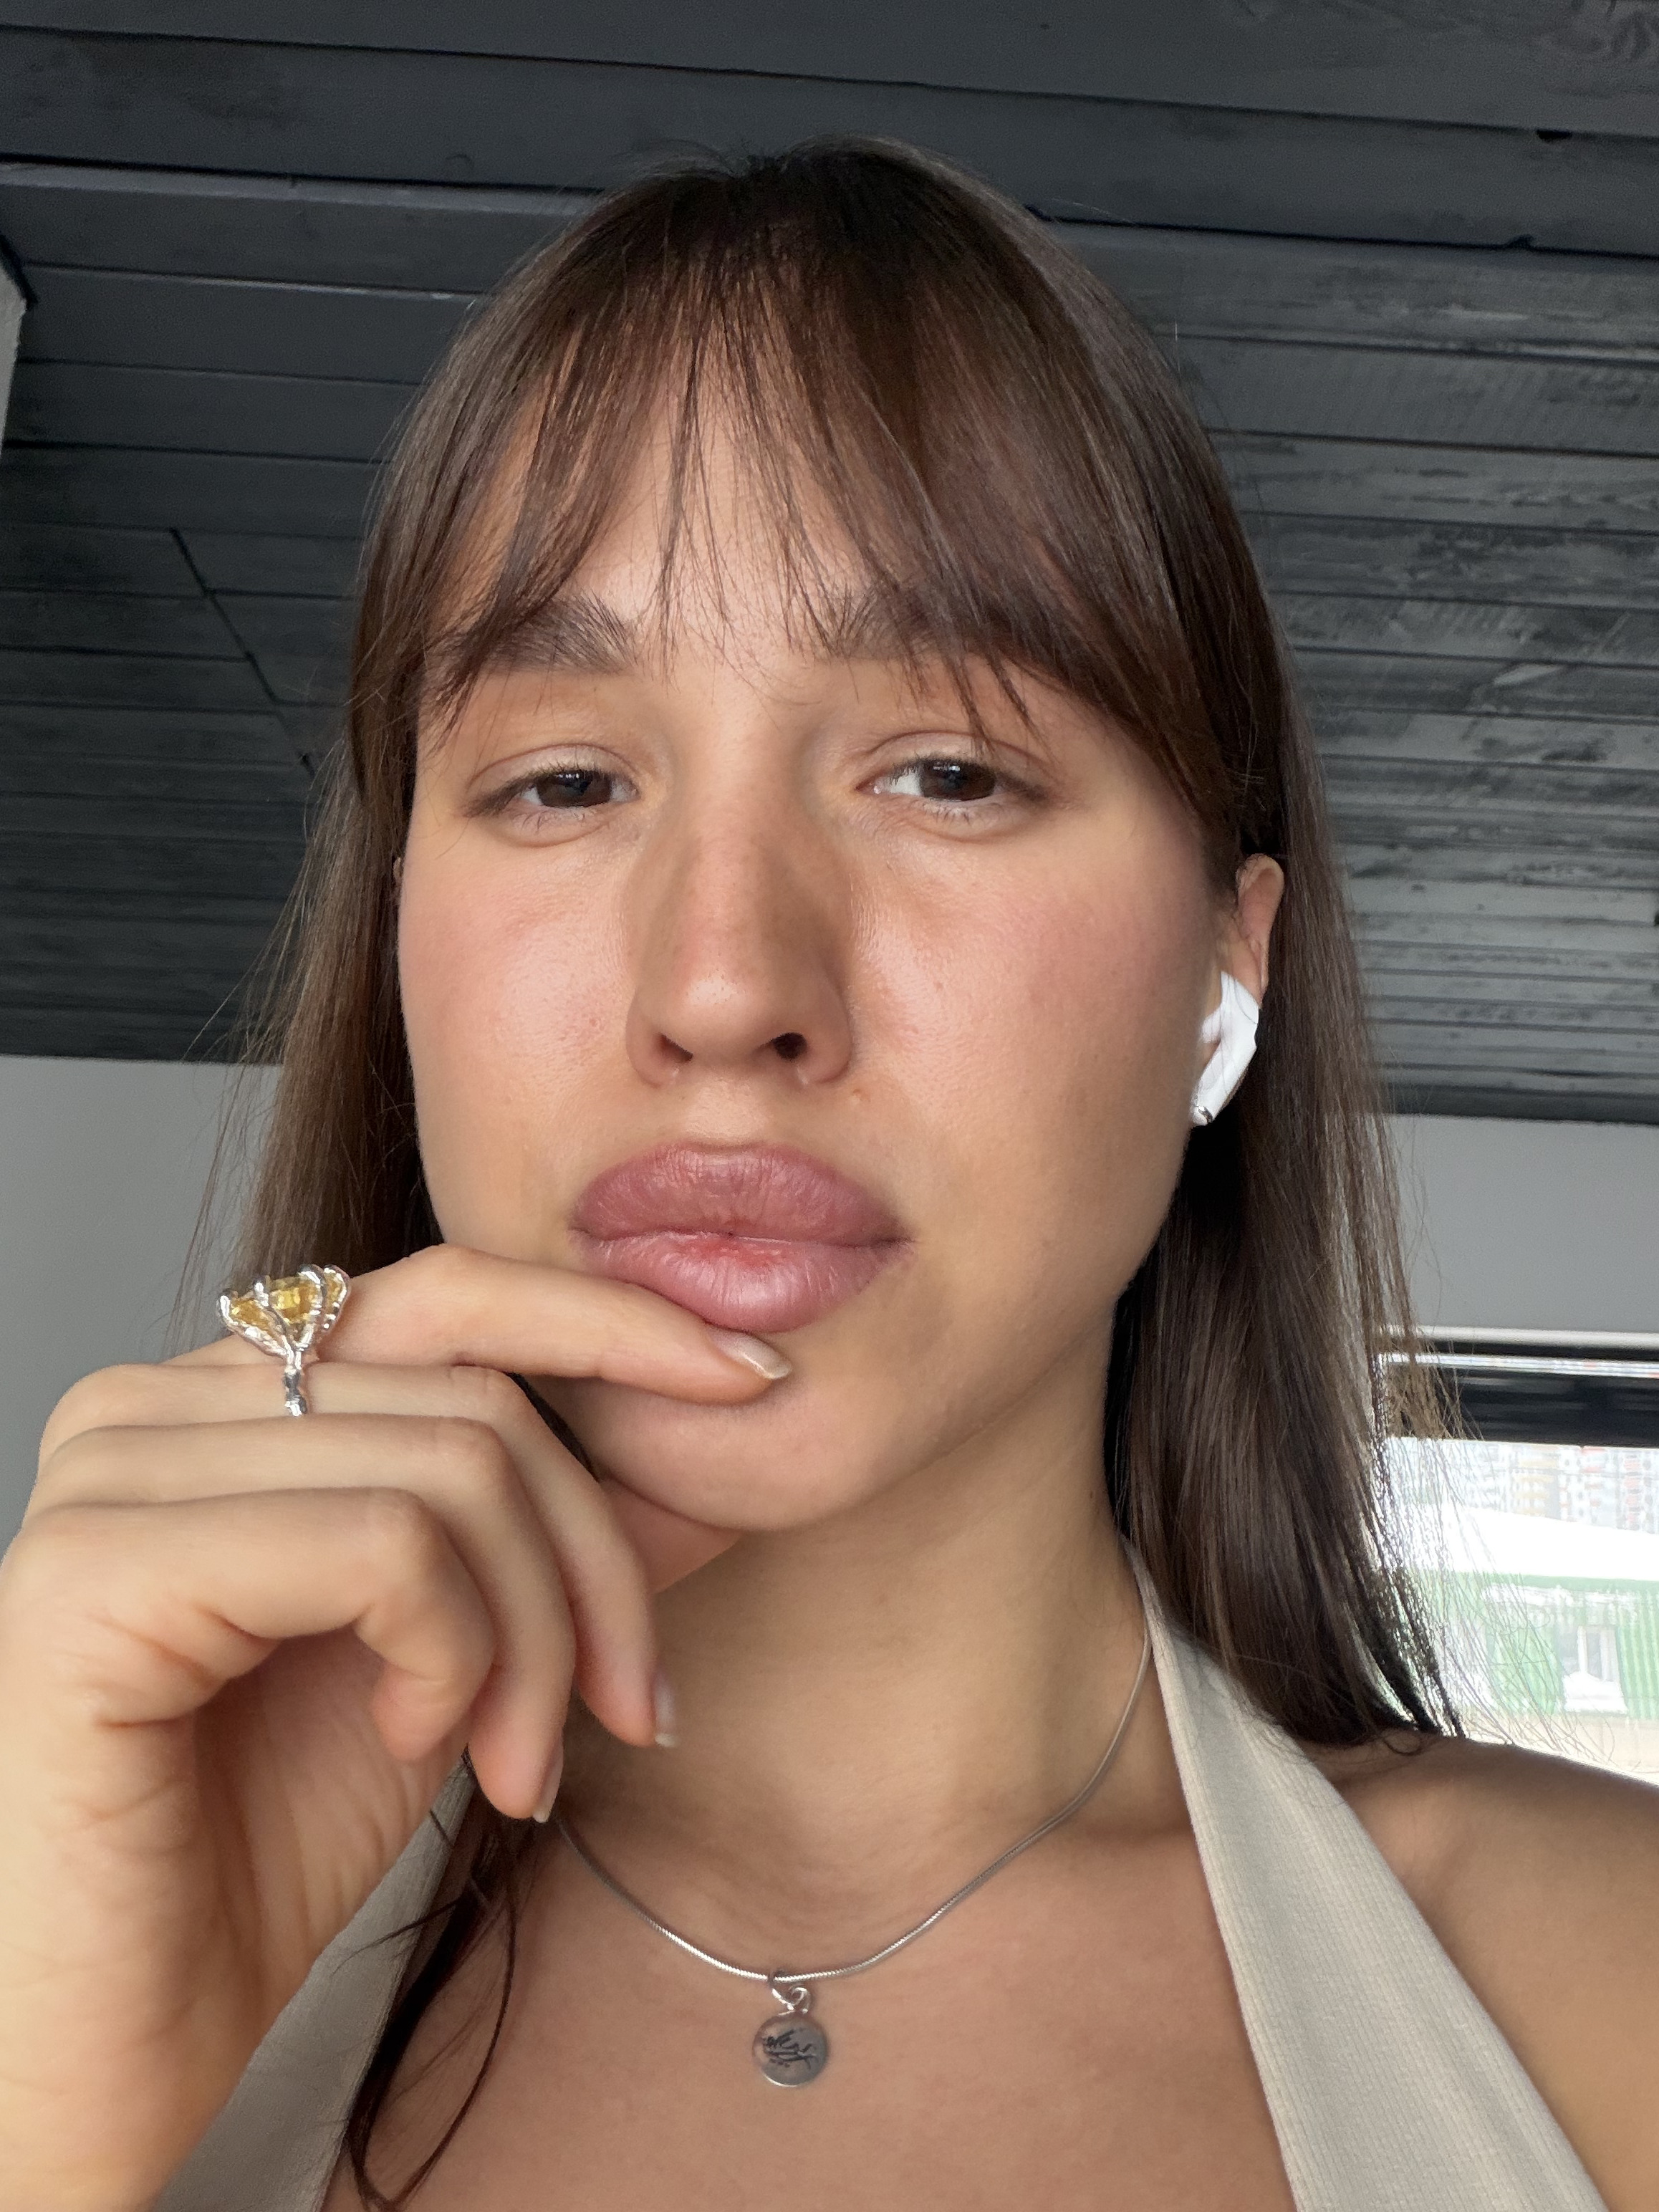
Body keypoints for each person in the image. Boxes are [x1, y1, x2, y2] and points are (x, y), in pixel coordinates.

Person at [1, 140, 1653, 2212]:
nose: (721, 986)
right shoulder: (62, 1939)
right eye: (564, 780)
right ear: (401, 940)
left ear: (1226, 969)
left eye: (946, 773)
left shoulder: (1609, 1998)